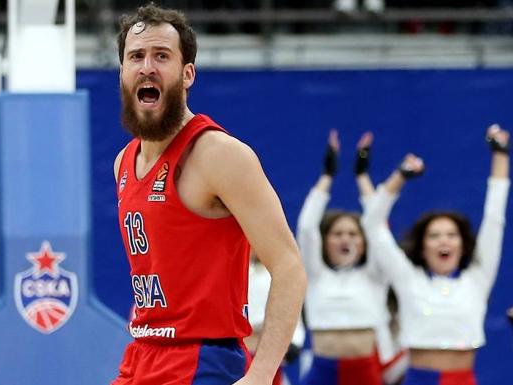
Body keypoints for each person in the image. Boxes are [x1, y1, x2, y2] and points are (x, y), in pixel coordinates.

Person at [111, 3, 307, 385]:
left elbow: (289, 268)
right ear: (122, 73)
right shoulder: (123, 161)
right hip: (141, 353)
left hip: (201, 359)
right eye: (136, 56)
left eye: (161, 56)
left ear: (188, 74)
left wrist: (262, 374)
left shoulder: (219, 154)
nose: (147, 66)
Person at [362, 124, 510, 385]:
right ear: (422, 247)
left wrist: (501, 156)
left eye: (452, 235)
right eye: (434, 235)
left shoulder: (477, 279)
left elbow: (495, 218)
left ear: (463, 246)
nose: (444, 241)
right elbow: (372, 224)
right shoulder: (409, 279)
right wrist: (400, 177)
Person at [297, 130, 405, 385]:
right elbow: (306, 228)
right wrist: (327, 175)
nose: (346, 239)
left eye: (353, 234)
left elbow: (377, 226)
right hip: (322, 372)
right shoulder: (315, 274)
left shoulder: (374, 276)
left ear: (365, 242)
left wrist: (361, 176)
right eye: (337, 234)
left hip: (366, 372)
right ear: (325, 242)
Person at [246, 253, 306, 385]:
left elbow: (293, 319)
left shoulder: (281, 277)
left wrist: (293, 344)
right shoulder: (232, 275)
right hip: (235, 354)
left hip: (267, 360)